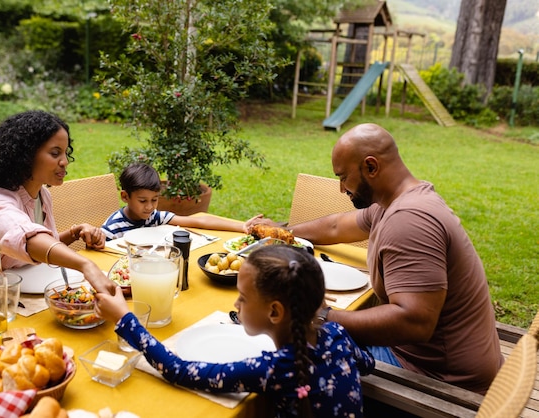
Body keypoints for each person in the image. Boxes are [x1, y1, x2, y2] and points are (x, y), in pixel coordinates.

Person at [258, 123, 503, 394]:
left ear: (371, 167)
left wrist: (320, 316)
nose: (341, 188)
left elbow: (414, 321)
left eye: (343, 177)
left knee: (293, 361)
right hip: (435, 358)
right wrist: (283, 233)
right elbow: (336, 227)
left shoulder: (408, 221)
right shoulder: (396, 202)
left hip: (442, 379)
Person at [96, 245, 374, 418]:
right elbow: (367, 363)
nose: (235, 304)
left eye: (242, 297)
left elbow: (178, 370)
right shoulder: (336, 333)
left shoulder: (275, 368)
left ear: (275, 312)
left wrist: (124, 316)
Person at [0, 110, 116, 295]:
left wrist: (74, 233)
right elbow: (25, 238)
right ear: (25, 155)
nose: (65, 162)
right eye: (55, 153)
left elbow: (42, 246)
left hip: (14, 295)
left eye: (65, 153)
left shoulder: (42, 195)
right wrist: (85, 265)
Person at [101, 163, 263, 240]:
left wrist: (241, 226)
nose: (149, 206)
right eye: (143, 201)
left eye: (155, 200)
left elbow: (198, 221)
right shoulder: (112, 228)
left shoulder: (154, 217)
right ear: (125, 197)